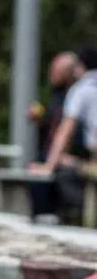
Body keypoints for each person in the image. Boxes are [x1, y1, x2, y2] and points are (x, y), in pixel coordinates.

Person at [36, 46, 97, 221]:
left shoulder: (81, 89)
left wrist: (49, 166)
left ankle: (75, 217)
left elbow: (64, 132)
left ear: (80, 67)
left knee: (63, 171)